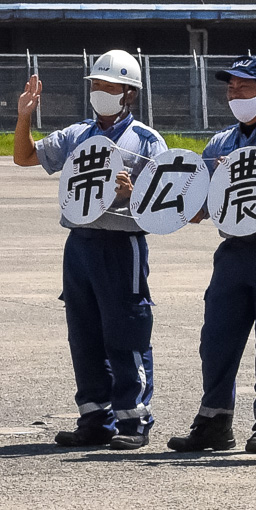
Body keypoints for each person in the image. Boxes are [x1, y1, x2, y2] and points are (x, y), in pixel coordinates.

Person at [13, 52, 167, 449]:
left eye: (108, 86)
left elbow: (166, 206)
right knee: (84, 334)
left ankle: (134, 420)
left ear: (129, 93)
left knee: (126, 330)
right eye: (95, 85)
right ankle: (95, 418)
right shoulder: (77, 134)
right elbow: (24, 156)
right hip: (79, 243)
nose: (99, 92)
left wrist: (133, 195)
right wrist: (25, 115)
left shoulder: (147, 141)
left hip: (121, 243)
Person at [167, 57, 256, 455]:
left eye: (243, 88)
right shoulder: (220, 143)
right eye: (230, 88)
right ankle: (214, 421)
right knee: (216, 338)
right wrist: (156, 200)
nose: (234, 95)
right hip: (233, 249)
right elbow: (201, 206)